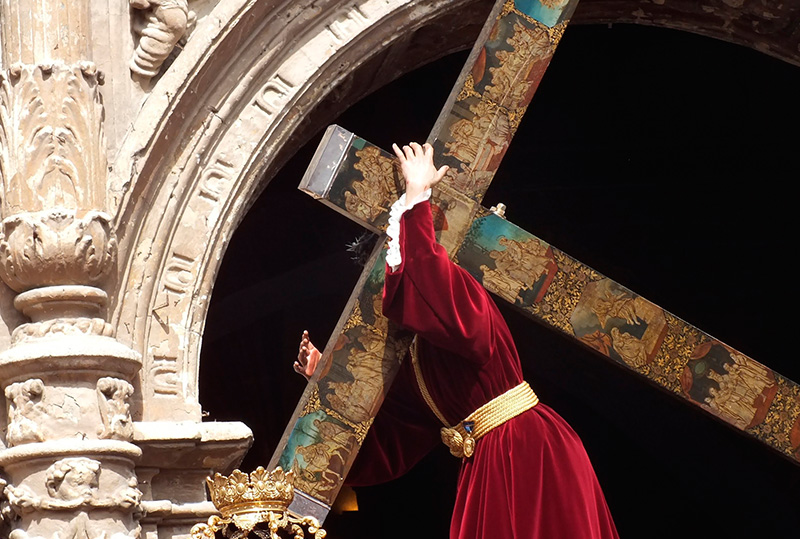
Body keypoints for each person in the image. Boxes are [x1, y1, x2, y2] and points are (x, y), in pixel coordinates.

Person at [295, 142, 619, 539]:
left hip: (525, 450)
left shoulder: (460, 293)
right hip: (486, 460)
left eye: (390, 266)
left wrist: (416, 197)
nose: (385, 287)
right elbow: (393, 441)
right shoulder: (411, 353)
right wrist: (327, 385)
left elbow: (429, 282)